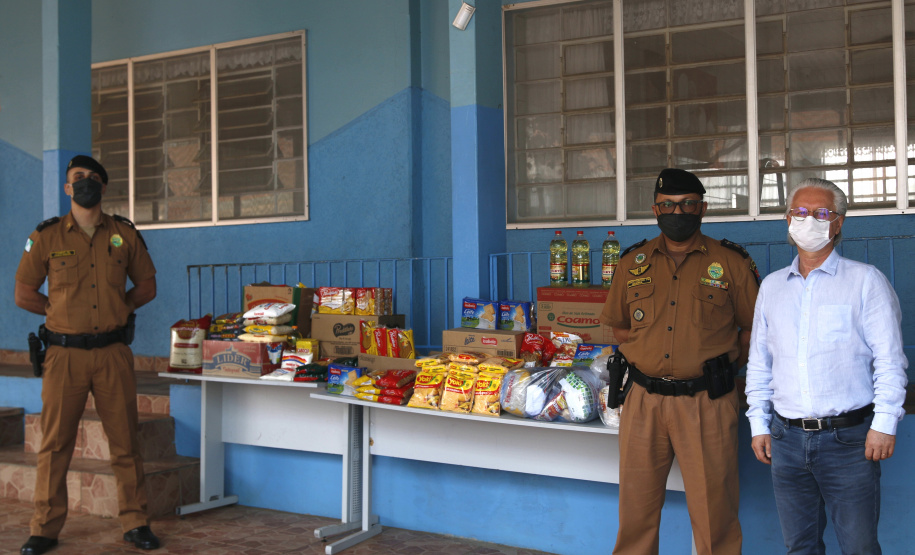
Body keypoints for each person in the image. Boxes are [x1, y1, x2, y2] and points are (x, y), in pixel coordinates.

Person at [599, 168, 759, 555]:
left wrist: (725, 365)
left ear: (702, 209)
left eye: (687, 204)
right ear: (655, 210)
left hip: (707, 402)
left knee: (713, 513)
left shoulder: (731, 263)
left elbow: (755, 330)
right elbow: (617, 328)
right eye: (668, 205)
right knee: (636, 511)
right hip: (643, 401)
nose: (678, 211)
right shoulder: (632, 262)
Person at [745, 178, 908, 554]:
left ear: (838, 223)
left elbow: (889, 360)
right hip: (786, 440)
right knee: (800, 546)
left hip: (849, 441)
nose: (809, 220)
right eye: (800, 212)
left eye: (821, 213)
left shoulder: (865, 281)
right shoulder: (772, 287)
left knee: (859, 547)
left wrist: (884, 424)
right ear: (788, 220)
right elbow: (760, 363)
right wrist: (759, 424)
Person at [14, 156, 160, 555]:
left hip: (113, 352)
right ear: (67, 188)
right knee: (55, 444)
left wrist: (123, 307)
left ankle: (135, 522)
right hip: (64, 356)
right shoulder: (45, 236)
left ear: (104, 188)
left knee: (125, 441)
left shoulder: (124, 235)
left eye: (93, 178)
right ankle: (44, 528)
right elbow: (23, 293)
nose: (85, 183)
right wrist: (56, 311)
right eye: (77, 178)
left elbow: (147, 286)